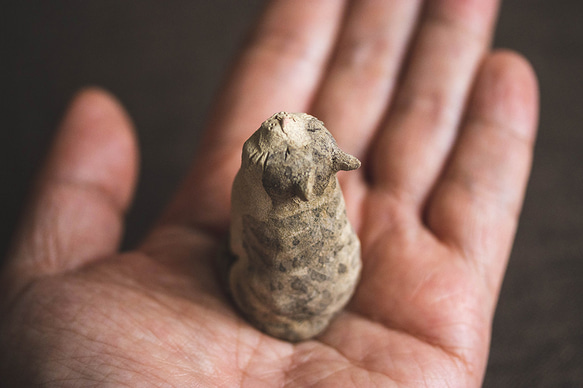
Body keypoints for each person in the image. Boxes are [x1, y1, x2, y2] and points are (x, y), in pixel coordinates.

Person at [0, 0, 538, 386]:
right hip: (285, 276)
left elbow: (248, 238)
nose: (283, 122)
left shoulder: (277, 206)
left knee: (258, 264)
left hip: (283, 295)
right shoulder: (270, 189)